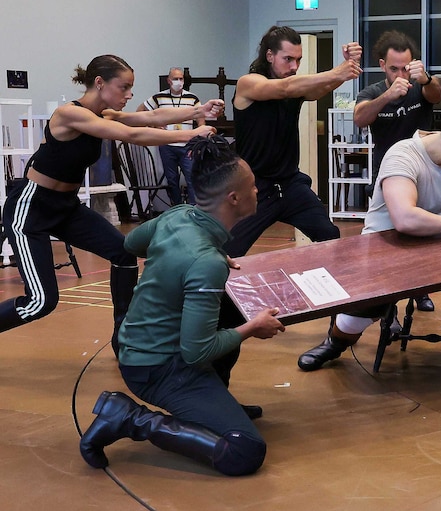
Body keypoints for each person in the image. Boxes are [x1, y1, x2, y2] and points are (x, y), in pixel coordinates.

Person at [79, 136, 286, 476]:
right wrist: (253, 328)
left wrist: (182, 259)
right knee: (244, 451)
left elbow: (132, 242)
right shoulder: (205, 260)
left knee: (231, 309)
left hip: (137, 345)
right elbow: (197, 351)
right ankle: (129, 417)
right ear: (233, 198)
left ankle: (214, 403)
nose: (257, 192)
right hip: (157, 367)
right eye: (252, 187)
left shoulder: (179, 216)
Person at [0, 55, 219, 355]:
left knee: (124, 253)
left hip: (66, 206)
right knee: (40, 302)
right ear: (100, 83)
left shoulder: (102, 114)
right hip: (31, 208)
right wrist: (192, 133)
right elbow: (133, 135)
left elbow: (148, 118)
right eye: (124, 87)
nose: (129, 95)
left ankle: (124, 337)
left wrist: (197, 110)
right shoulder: (69, 114)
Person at [296, 109, 441, 407]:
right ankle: (335, 341)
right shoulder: (403, 156)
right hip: (387, 250)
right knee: (355, 320)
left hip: (436, 243)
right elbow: (405, 220)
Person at [222, 25, 362, 258]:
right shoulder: (249, 83)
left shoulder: (295, 85)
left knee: (329, 235)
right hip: (255, 188)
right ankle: (221, 294)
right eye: (288, 59)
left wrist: (347, 68)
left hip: (290, 185)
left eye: (298, 60)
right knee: (228, 252)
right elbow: (285, 89)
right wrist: (339, 71)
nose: (294, 67)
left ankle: (324, 291)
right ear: (269, 55)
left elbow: (319, 89)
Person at [353, 30, 441, 313]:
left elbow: (437, 95)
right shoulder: (372, 92)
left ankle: (421, 290)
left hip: (423, 170)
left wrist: (425, 78)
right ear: (382, 65)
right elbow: (359, 119)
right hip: (388, 172)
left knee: (422, 234)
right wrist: (387, 97)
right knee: (386, 240)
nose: (401, 73)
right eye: (394, 68)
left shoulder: (421, 86)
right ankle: (386, 304)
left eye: (405, 67)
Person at [136, 66, 206, 205]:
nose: (178, 81)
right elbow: (140, 112)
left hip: (187, 145)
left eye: (181, 79)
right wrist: (154, 126)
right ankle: (177, 208)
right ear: (169, 80)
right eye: (175, 79)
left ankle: (192, 210)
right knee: (172, 180)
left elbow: (201, 121)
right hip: (167, 145)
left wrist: (199, 141)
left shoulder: (192, 98)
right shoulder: (159, 97)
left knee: (192, 178)